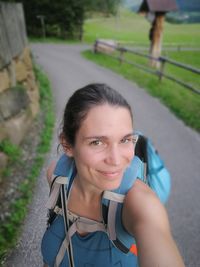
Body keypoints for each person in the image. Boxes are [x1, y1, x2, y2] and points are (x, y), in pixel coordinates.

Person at [41, 83, 185, 267]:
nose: (116, 160)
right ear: (68, 145)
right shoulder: (56, 177)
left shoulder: (141, 203)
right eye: (97, 142)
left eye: (125, 140)